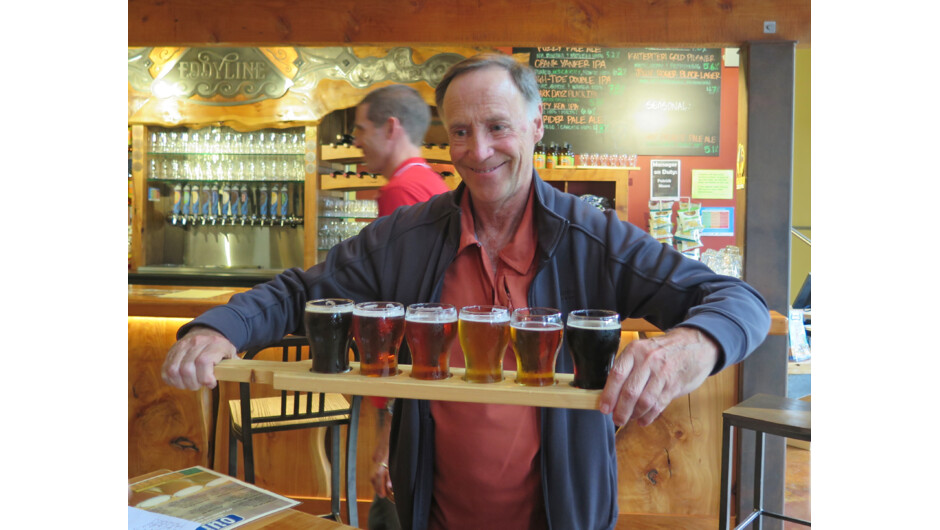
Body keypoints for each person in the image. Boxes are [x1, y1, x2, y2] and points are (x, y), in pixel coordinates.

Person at [162, 53, 771, 530]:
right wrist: (221, 327)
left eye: (497, 127)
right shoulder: (408, 236)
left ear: (536, 126)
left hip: (564, 516)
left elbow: (738, 301)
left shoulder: (594, 237)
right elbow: (301, 292)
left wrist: (690, 348)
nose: (477, 152)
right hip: (432, 512)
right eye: (460, 132)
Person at [352, 83, 448, 530]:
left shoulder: (401, 192)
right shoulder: (431, 182)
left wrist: (384, 445)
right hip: (426, 388)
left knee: (390, 509)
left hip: (407, 388)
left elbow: (406, 323)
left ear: (391, 128)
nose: (355, 139)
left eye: (360, 128)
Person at [353, 84, 450, 218]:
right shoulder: (428, 181)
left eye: (362, 130)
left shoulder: (401, 191)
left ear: (390, 129)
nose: (356, 143)